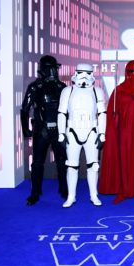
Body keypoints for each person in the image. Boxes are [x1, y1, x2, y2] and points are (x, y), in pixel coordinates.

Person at [99, 60, 134, 203]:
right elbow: (111, 113)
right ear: (126, 73)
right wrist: (115, 119)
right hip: (125, 133)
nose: (133, 75)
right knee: (124, 160)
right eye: (130, 72)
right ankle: (125, 190)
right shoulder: (119, 91)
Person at [57, 63, 106, 208]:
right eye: (81, 73)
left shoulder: (97, 91)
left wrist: (102, 133)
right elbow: (62, 113)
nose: (84, 76)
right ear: (76, 73)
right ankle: (71, 196)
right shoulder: (68, 91)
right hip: (72, 131)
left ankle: (93, 195)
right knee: (72, 166)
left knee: (93, 165)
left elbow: (102, 113)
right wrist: (61, 133)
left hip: (91, 130)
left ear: (92, 74)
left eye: (87, 73)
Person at [20, 55, 67, 206]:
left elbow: (69, 110)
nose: (54, 71)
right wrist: (25, 129)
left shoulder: (62, 87)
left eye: (55, 68)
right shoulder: (35, 87)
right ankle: (35, 192)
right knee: (37, 163)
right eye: (51, 68)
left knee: (62, 161)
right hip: (42, 130)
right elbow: (25, 109)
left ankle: (64, 188)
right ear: (44, 70)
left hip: (59, 130)